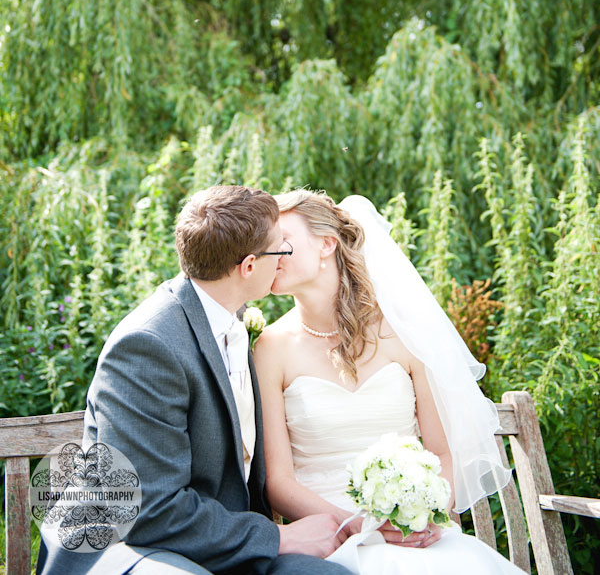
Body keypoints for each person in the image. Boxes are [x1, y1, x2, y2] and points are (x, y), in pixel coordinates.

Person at [38, 185, 354, 575]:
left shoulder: (230, 317)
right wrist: (279, 538)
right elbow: (149, 510)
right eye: (280, 250)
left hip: (212, 540)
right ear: (249, 267)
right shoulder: (147, 347)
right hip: (130, 548)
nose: (284, 260)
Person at [254, 190, 525, 574]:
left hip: (415, 537)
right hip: (329, 542)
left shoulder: (404, 335)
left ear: (326, 244)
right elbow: (278, 482)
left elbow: (442, 454)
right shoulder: (269, 348)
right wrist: (360, 526)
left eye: (281, 241)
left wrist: (426, 513)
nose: (270, 255)